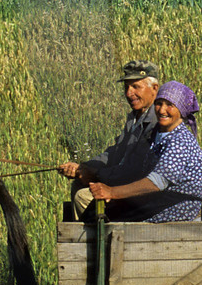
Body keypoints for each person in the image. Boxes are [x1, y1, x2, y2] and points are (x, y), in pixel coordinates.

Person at [85, 81, 202, 222]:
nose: (161, 110)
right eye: (159, 103)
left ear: (181, 110)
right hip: (158, 199)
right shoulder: (160, 133)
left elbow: (157, 182)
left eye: (170, 105)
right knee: (97, 212)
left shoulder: (180, 140)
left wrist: (111, 192)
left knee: (114, 222)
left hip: (176, 206)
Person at [58, 60, 161, 215]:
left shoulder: (156, 122)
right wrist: (83, 167)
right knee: (78, 185)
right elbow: (115, 153)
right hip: (126, 186)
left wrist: (96, 174)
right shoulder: (135, 117)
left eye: (135, 87)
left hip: (140, 195)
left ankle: (101, 237)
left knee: (82, 197)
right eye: (126, 87)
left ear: (154, 89)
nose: (129, 93)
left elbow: (133, 170)